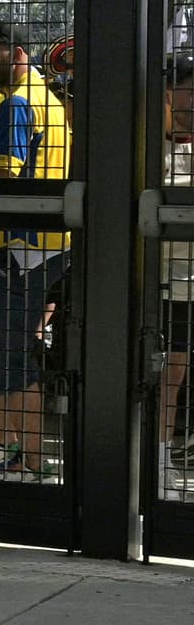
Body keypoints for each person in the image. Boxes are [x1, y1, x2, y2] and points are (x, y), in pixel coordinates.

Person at [0, 23, 71, 478]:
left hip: (21, 246)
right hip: (39, 243)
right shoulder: (44, 99)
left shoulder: (18, 103)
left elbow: (7, 179)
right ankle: (12, 449)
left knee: (11, 356)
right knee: (9, 354)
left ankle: (28, 460)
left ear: (19, 53)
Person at [160, 54, 194, 499]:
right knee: (164, 370)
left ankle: (166, 453)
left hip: (187, 276)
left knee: (176, 369)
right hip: (153, 276)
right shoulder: (143, 144)